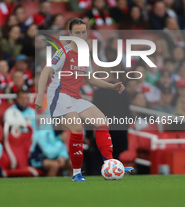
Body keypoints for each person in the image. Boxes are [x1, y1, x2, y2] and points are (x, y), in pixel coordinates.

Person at [35, 18, 133, 182]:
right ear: (70, 34)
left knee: (102, 121)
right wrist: (40, 95)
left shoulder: (84, 53)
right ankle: (76, 173)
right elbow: (46, 71)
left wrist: (112, 86)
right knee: (77, 128)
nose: (81, 35)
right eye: (77, 32)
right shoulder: (63, 51)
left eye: (83, 32)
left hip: (74, 96)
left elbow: (90, 79)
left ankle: (110, 164)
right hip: (58, 96)